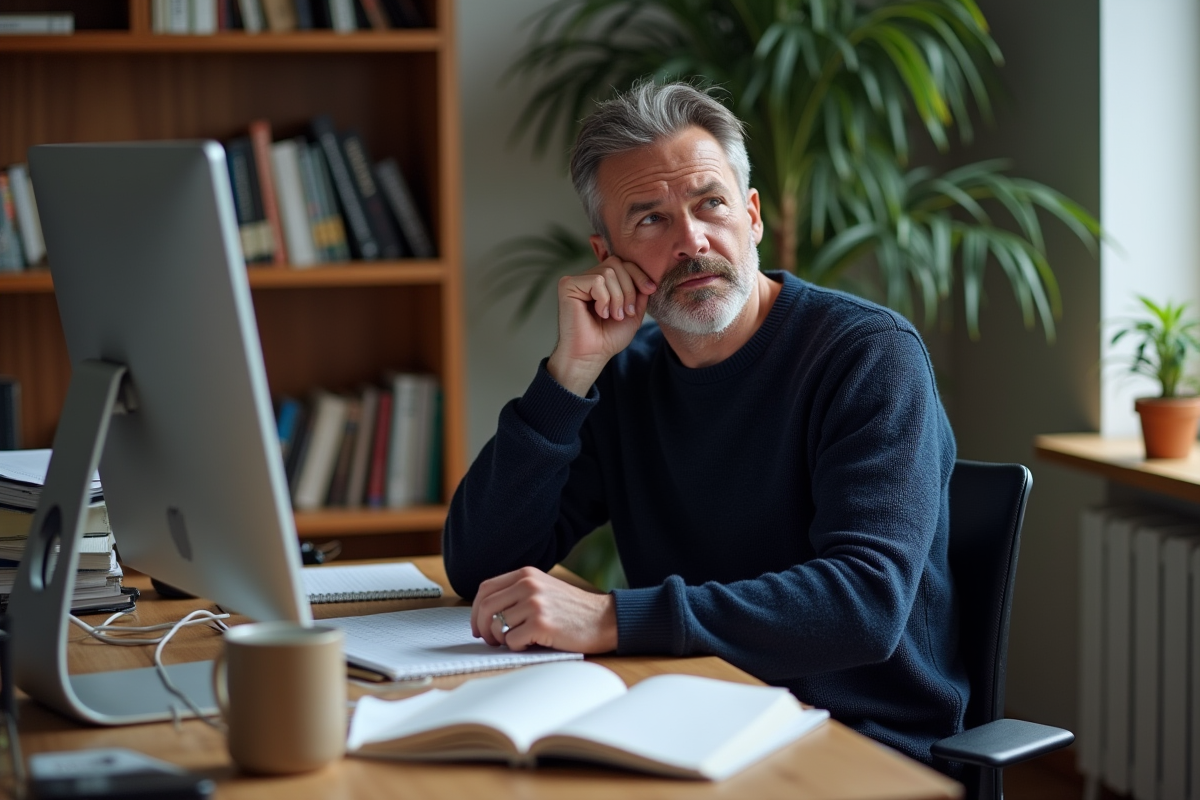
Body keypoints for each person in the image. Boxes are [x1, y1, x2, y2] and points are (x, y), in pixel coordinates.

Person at [444, 81, 968, 767]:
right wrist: (568, 376)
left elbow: (864, 604)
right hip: (689, 709)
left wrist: (612, 618)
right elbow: (480, 564)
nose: (692, 240)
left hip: (856, 738)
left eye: (710, 203)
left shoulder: (867, 356)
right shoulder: (627, 378)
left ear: (750, 216)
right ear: (610, 259)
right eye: (650, 219)